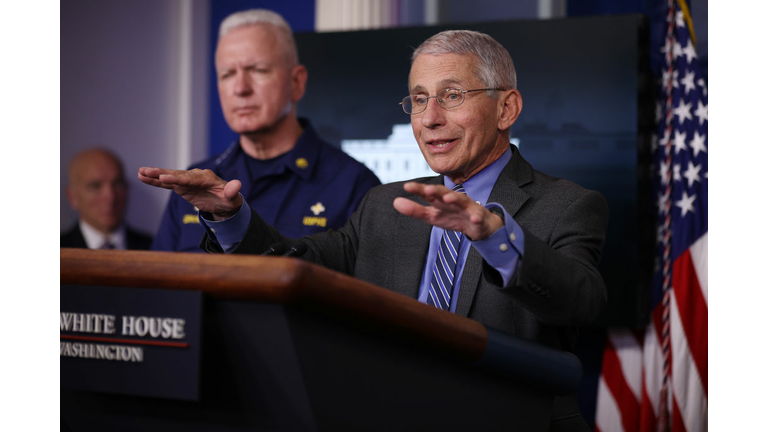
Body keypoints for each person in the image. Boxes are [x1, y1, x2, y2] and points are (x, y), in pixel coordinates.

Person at [139, 30, 609, 430]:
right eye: (419, 100)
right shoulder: (386, 204)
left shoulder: (568, 205)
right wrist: (229, 217)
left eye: (452, 95)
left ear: (506, 109)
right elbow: (294, 267)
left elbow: (581, 301)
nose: (429, 119)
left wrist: (494, 239)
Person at [151, 9, 380, 252]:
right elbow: (159, 283)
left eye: (258, 70)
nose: (240, 88)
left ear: (296, 83)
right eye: (227, 74)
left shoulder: (353, 184)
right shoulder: (196, 183)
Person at [62, 148, 152, 250]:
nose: (110, 197)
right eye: (95, 186)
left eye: (117, 184)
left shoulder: (156, 248)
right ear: (72, 197)